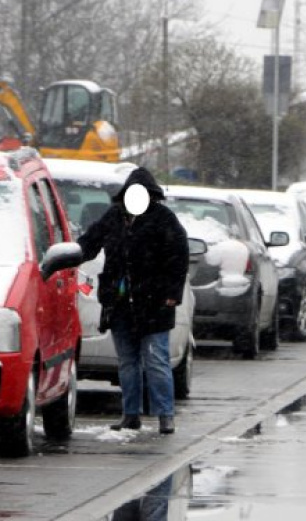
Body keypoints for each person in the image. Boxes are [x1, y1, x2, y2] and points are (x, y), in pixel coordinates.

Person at [77, 167, 189, 434]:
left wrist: (172, 295)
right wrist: (68, 257)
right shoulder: (114, 217)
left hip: (155, 304)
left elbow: (178, 259)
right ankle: (131, 415)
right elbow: (89, 243)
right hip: (120, 304)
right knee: (127, 362)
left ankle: (165, 415)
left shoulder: (164, 219)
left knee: (156, 360)